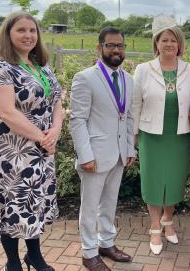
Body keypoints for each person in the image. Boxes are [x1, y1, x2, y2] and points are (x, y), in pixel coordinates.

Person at [0, 11, 63, 271]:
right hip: (10, 148)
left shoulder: (41, 66)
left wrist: (56, 131)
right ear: (8, 34)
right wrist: (43, 137)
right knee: (12, 201)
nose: (28, 35)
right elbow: (7, 112)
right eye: (21, 30)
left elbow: (58, 101)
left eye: (32, 30)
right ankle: (13, 262)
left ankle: (35, 256)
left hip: (41, 146)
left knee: (33, 199)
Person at [69, 27, 136, 271]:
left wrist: (129, 149)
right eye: (111, 45)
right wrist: (84, 154)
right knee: (89, 207)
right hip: (94, 156)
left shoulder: (129, 80)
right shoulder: (85, 78)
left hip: (118, 154)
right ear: (100, 48)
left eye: (120, 45)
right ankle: (88, 253)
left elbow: (128, 117)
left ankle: (106, 243)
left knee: (109, 203)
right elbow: (77, 120)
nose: (116, 50)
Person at [132, 15, 190, 255]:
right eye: (164, 40)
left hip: (180, 135)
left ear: (179, 44)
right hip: (151, 135)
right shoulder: (142, 70)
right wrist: (134, 136)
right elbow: (135, 105)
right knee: (152, 179)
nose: (169, 44)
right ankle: (154, 226)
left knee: (174, 178)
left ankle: (168, 220)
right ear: (156, 44)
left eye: (173, 40)